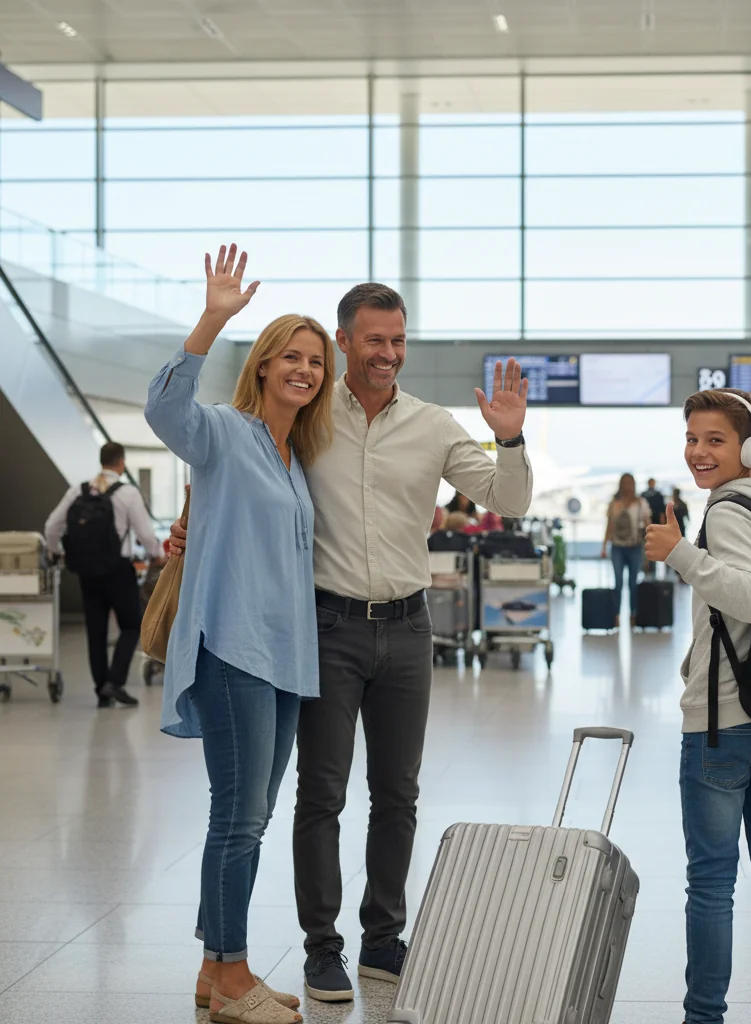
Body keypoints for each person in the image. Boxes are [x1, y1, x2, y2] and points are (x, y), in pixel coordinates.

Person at [169, 282, 532, 1002]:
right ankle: (320, 949)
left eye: (398, 341)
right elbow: (243, 465)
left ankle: (383, 941)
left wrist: (511, 436)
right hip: (325, 628)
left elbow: (509, 499)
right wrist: (192, 523)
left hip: (407, 626)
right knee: (319, 795)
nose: (389, 354)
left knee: (397, 793)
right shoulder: (308, 413)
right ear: (345, 341)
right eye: (375, 340)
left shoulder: (432, 425)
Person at [146, 244, 335, 1024]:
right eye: (289, 356)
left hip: (287, 659)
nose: (304, 369)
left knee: (250, 812)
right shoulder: (223, 432)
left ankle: (212, 967)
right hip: (233, 651)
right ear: (260, 366)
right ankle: (231, 975)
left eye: (314, 361)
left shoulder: (296, 457)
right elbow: (165, 411)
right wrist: (213, 317)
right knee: (239, 817)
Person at [644, 387, 751, 1024]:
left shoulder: (728, 510)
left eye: (714, 440)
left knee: (712, 884)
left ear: (749, 448)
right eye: (692, 438)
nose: (698, 452)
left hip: (723, 724)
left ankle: (704, 1017)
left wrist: (681, 553)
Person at [44, 441, 165, 708]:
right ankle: (115, 681)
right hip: (118, 570)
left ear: (101, 461)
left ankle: (101, 690)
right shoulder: (127, 493)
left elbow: (52, 525)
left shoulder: (79, 490)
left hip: (87, 572)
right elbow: (145, 534)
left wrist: (57, 552)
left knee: (96, 632)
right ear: (121, 462)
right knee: (132, 625)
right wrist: (157, 554)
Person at [601, 473, 651, 629]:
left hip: (635, 547)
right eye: (625, 483)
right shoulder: (614, 504)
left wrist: (649, 549)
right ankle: (616, 615)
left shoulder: (641, 504)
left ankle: (633, 615)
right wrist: (604, 546)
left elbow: (648, 527)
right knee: (618, 583)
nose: (628, 486)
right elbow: (609, 526)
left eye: (631, 483)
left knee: (633, 584)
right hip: (617, 547)